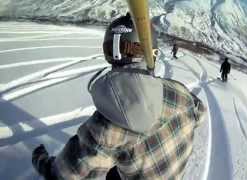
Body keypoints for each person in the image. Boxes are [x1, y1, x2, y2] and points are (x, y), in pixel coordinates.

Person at [32, 13, 206, 180]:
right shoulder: (179, 92)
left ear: (110, 54)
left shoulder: (107, 126)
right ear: (152, 52)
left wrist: (42, 162)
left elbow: (67, 174)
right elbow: (200, 113)